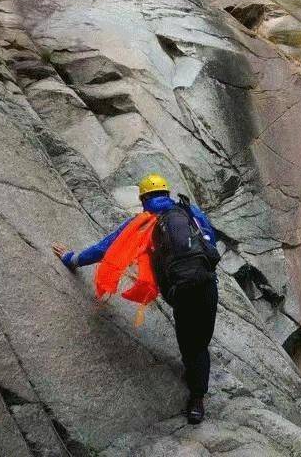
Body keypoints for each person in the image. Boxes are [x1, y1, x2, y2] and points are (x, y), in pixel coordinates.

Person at [52, 174, 220, 425]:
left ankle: (195, 395)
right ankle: (198, 391)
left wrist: (73, 259)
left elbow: (106, 249)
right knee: (200, 343)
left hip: (179, 292)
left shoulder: (142, 222)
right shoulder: (189, 210)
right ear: (167, 192)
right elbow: (211, 242)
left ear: (144, 199)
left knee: (189, 344)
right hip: (206, 286)